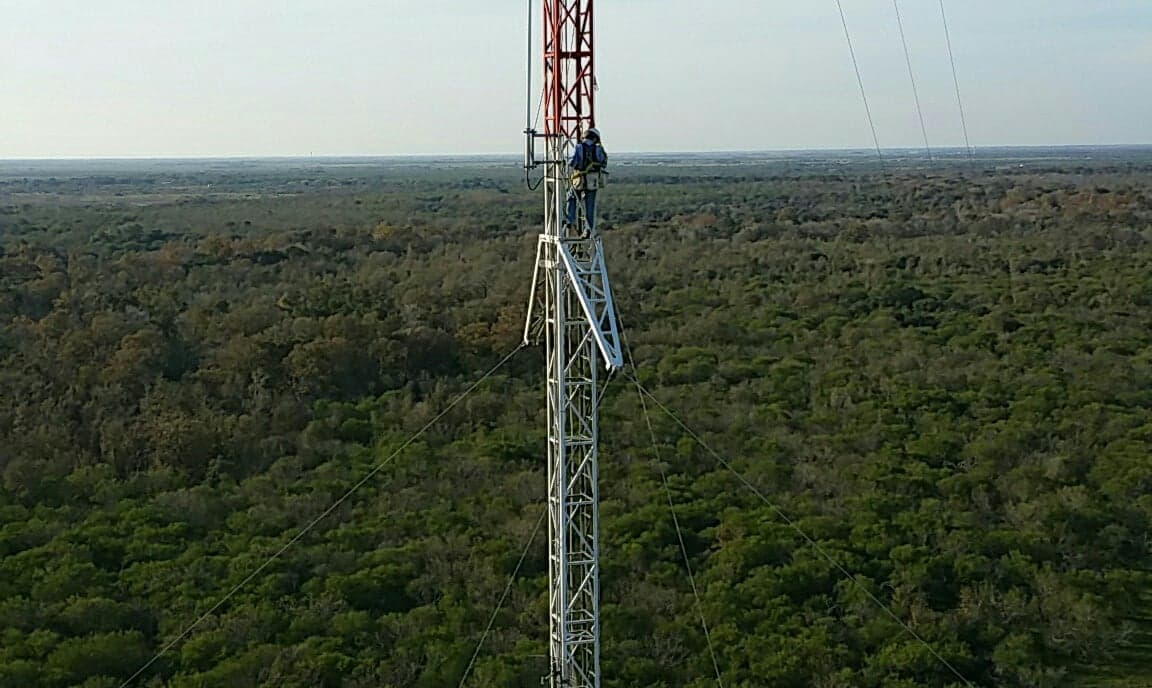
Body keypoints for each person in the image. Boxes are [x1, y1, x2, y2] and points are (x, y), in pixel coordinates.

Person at [564, 127, 608, 237]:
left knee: (572, 196)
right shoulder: (598, 149)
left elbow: (573, 161)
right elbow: (603, 162)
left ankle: (570, 220)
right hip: (592, 180)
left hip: (580, 178)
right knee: (590, 205)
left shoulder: (579, 147)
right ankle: (588, 229)